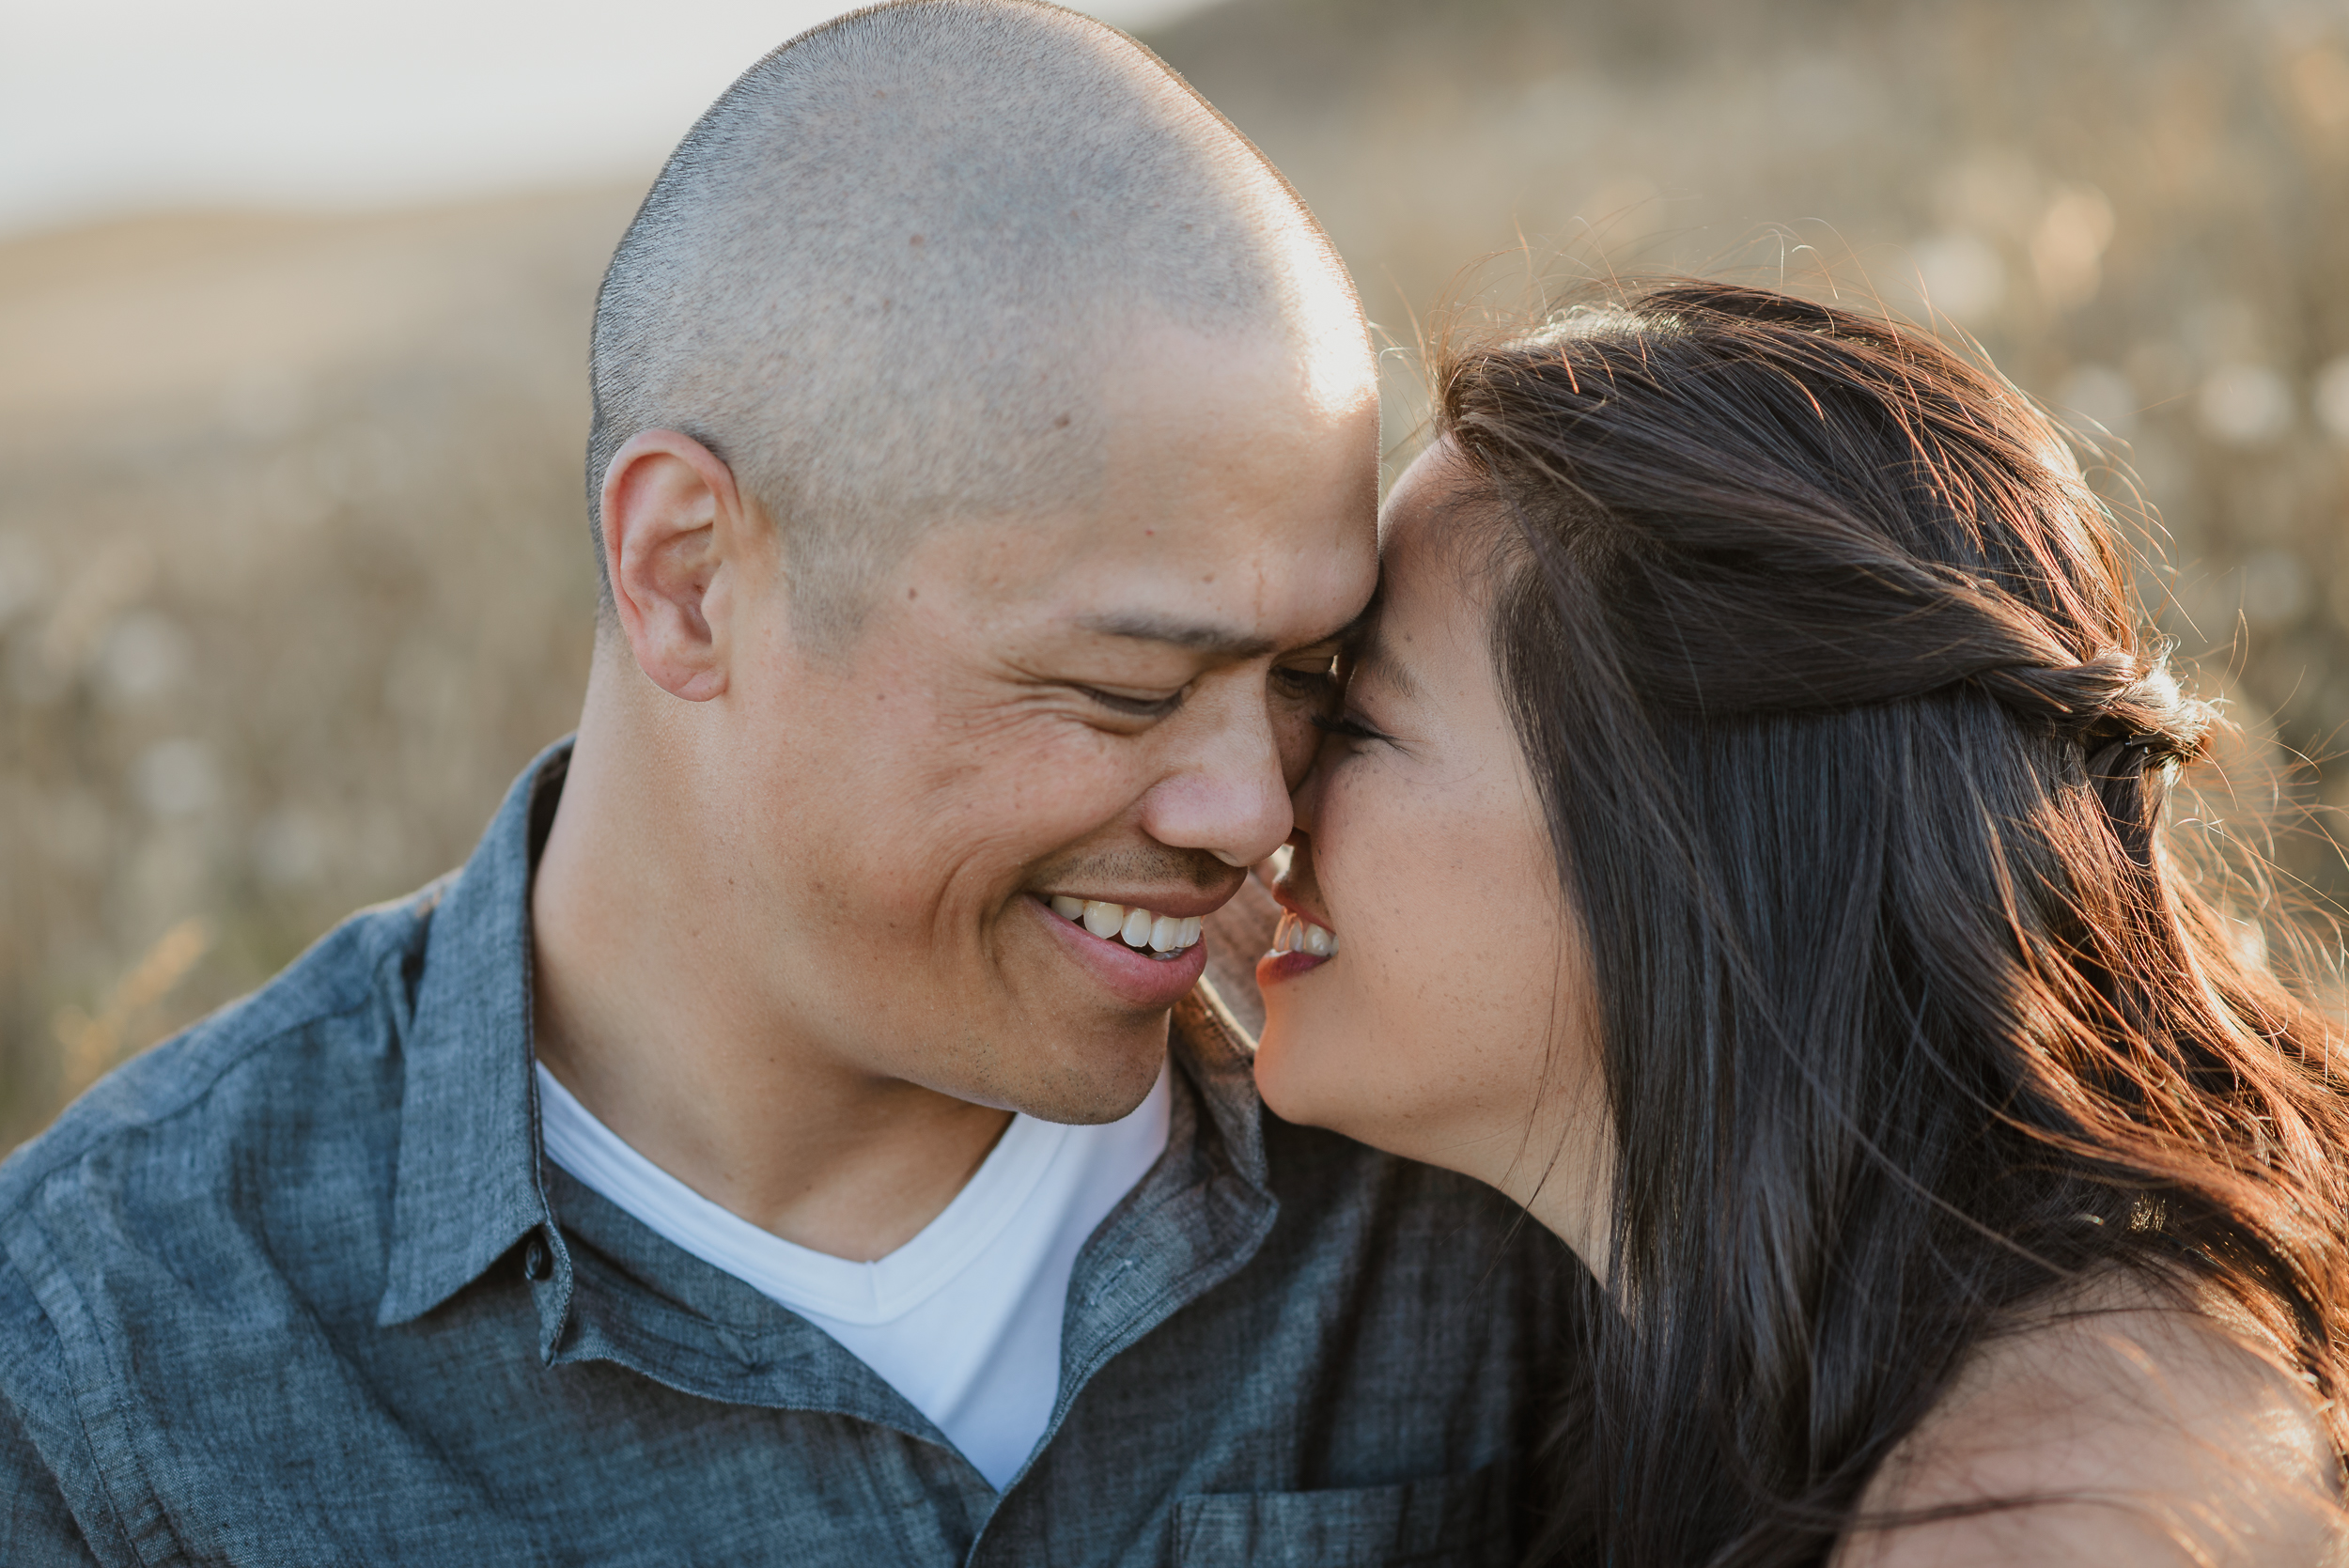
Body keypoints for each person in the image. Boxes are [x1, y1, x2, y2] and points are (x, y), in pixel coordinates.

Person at [0, 5, 1569, 1561]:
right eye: (1127, 689)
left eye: (1305, 677)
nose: (1251, 812)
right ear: (687, 575)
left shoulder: (1473, 1144)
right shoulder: (105, 1363)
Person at [1252, 278, 2349, 1565]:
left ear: (1674, 846)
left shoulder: (2070, 1502)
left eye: (1357, 721)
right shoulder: (1735, 1360)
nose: (1261, 794)